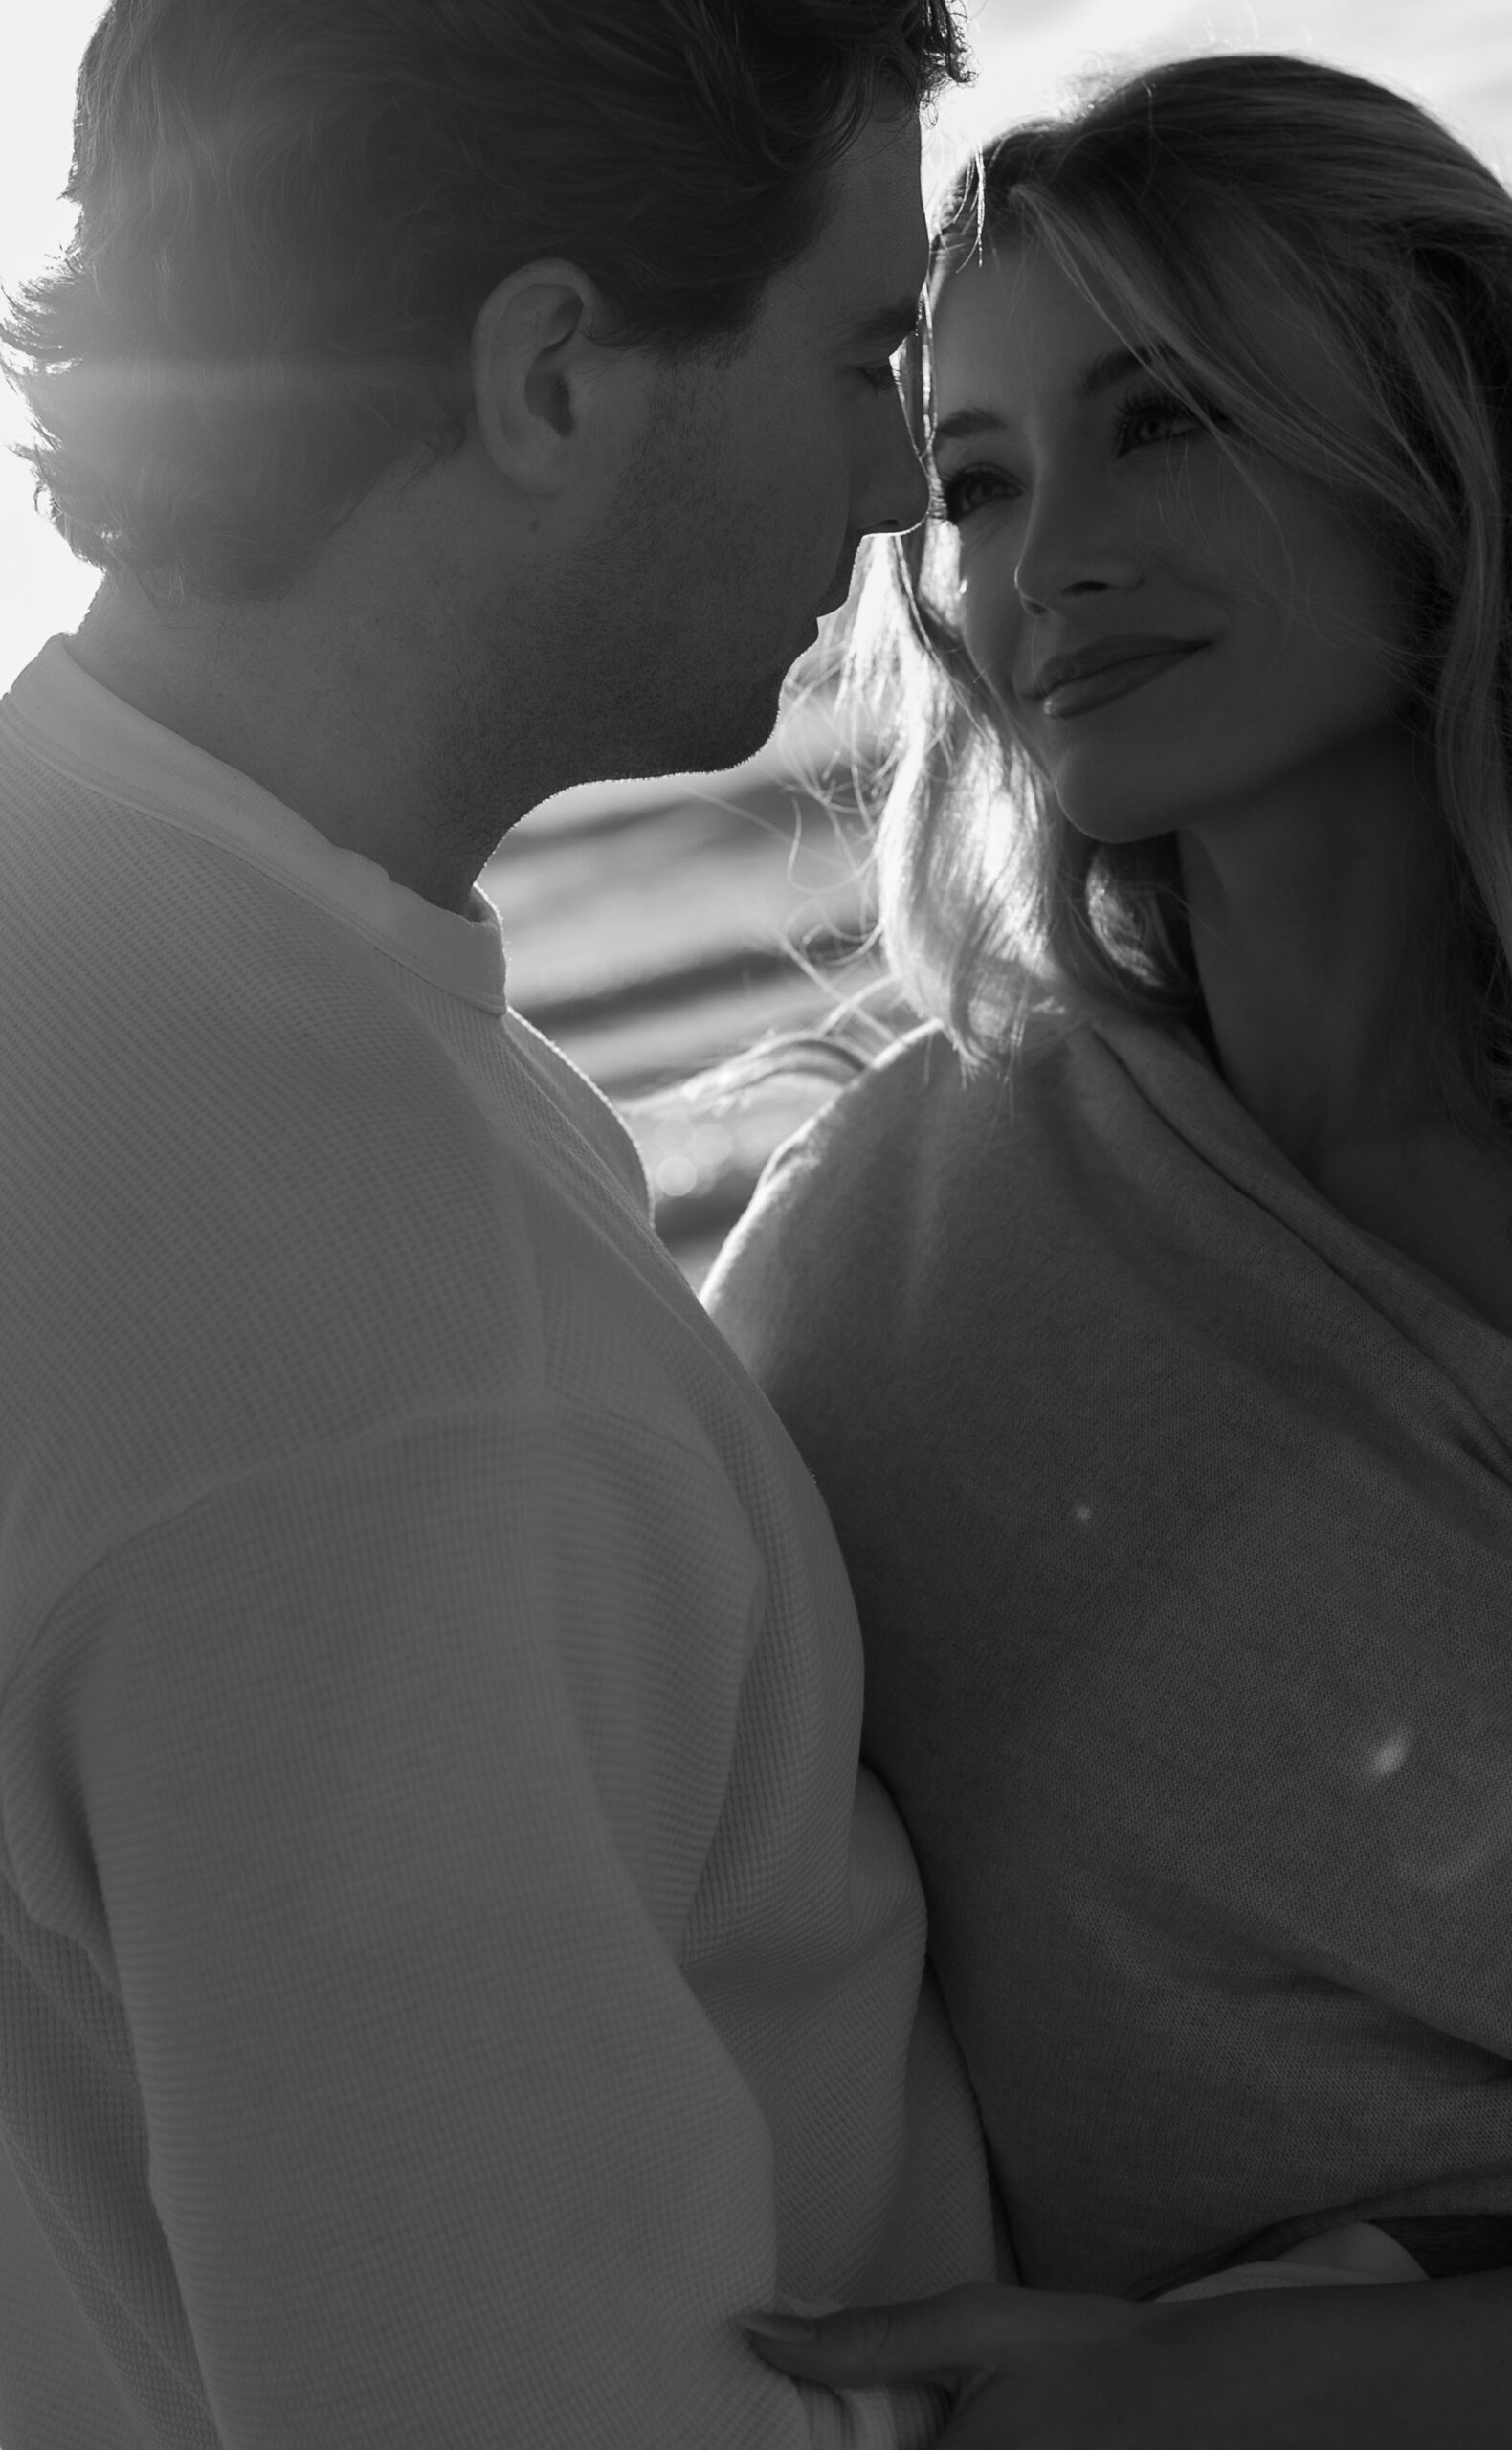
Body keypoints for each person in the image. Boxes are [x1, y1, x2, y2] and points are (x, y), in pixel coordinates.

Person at [0, 5, 1011, 2445]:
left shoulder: (107, 951)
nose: (906, 479)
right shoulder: (376, 1338)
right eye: (860, 348)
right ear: (553, 372)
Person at [708, 51, 1512, 2444]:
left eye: (1168, 423)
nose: (1048, 564)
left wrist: (1339, 2366)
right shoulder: (878, 1271)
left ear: (1446, 446)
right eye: (980, 485)